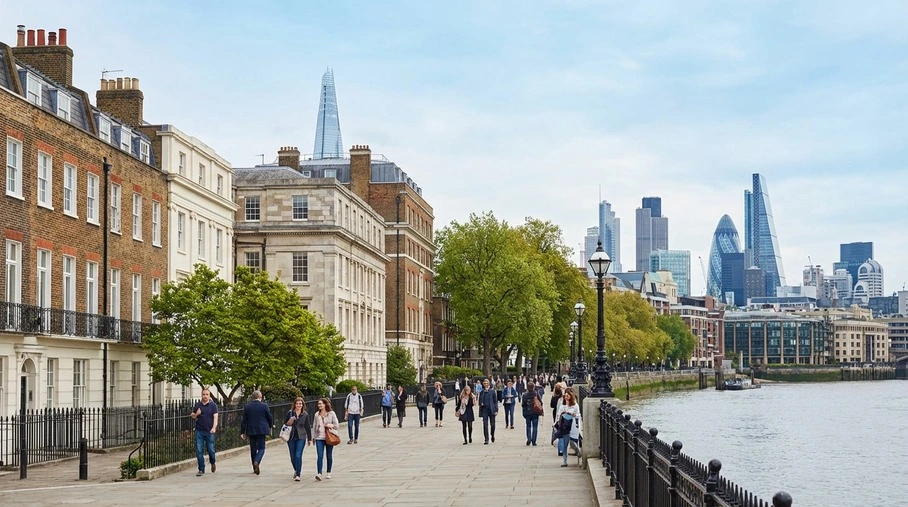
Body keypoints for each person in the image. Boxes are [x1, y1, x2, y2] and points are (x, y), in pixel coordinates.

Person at [240, 390, 273, 475]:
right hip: (262, 430)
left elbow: (244, 420)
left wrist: (242, 432)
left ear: (252, 397)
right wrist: (271, 425)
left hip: (251, 430)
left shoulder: (247, 407)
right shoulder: (264, 406)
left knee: (253, 449)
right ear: (260, 397)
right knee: (261, 448)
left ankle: (254, 467)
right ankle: (257, 461)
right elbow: (269, 417)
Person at [190, 388, 218, 477]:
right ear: (201, 395)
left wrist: (214, 427)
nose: (205, 396)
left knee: (211, 450)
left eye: (207, 394)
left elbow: (215, 417)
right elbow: (193, 416)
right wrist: (196, 414)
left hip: (209, 431)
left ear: (209, 396)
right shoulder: (198, 405)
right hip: (199, 430)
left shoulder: (213, 405)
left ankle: (213, 462)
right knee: (199, 450)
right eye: (203, 394)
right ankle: (201, 469)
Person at [285, 397, 312, 481]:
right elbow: (285, 423)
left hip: (301, 436)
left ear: (303, 405)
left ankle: (298, 474)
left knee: (298, 455)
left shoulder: (305, 414)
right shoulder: (290, 413)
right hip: (291, 436)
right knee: (293, 457)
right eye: (297, 404)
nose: (298, 405)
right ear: (294, 405)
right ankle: (296, 470)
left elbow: (307, 427)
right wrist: (290, 420)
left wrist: (309, 438)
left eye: (300, 404)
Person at [312, 398, 339, 481]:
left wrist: (330, 425)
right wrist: (313, 437)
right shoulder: (317, 414)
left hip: (329, 436)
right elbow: (314, 426)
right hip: (319, 437)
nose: (319, 405)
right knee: (320, 456)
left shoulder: (331, 413)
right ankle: (319, 473)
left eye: (321, 404)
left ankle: (328, 472)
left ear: (325, 404)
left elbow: (337, 425)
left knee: (329, 454)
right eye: (318, 404)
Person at [555, 388, 582, 467]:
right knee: (565, 444)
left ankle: (578, 451)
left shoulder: (575, 405)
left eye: (568, 397)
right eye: (565, 397)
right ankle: (565, 460)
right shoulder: (563, 405)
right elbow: (559, 414)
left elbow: (578, 415)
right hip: (565, 426)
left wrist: (573, 415)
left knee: (573, 442)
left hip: (572, 425)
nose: (566, 398)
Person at [478, 378, 498, 444]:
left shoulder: (492, 391)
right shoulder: (482, 392)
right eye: (484, 383)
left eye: (487, 383)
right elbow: (479, 401)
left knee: (492, 425)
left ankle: (492, 434)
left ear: (489, 384)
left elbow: (495, 401)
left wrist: (496, 410)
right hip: (484, 410)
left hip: (491, 409)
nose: (485, 384)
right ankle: (486, 438)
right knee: (485, 424)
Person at [521, 381, 541, 446]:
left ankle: (529, 438)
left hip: (528, 412)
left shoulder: (524, 395)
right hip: (535, 412)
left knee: (528, 426)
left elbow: (523, 404)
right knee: (535, 427)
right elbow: (540, 402)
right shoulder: (536, 394)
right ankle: (534, 441)